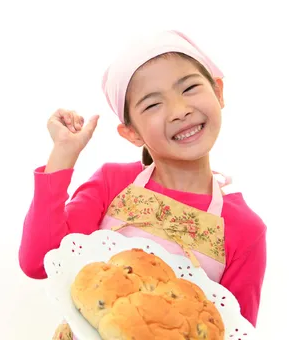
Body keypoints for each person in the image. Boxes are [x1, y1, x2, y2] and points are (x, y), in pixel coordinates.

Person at [18, 30, 267, 338]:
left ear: (218, 91)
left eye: (189, 87)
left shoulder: (245, 229)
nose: (180, 111)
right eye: (152, 104)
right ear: (131, 133)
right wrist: (63, 156)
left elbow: (232, 330)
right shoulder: (113, 182)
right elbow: (39, 262)